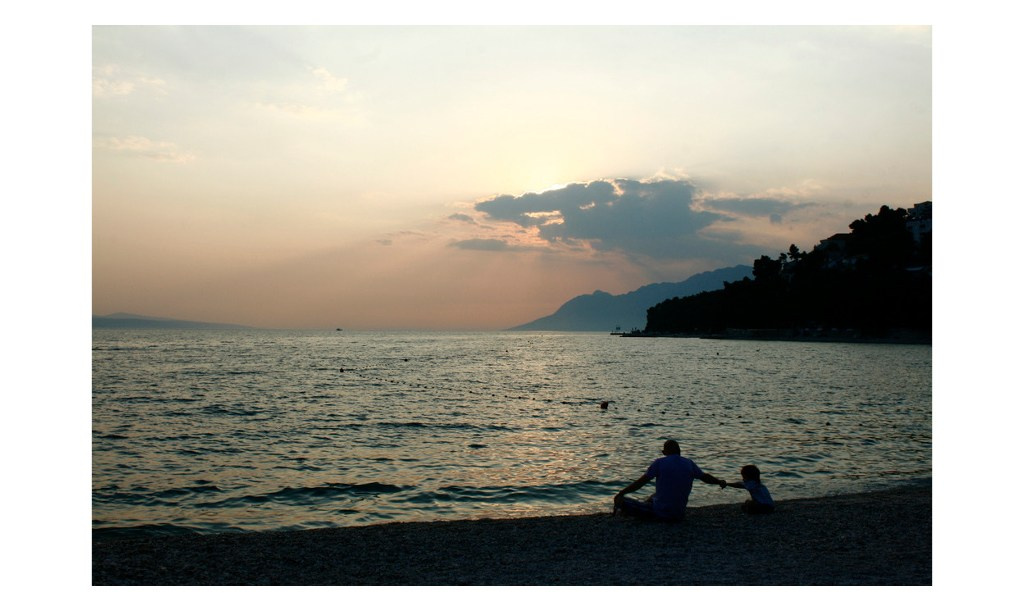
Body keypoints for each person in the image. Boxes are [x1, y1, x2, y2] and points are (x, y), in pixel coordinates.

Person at [613, 439, 725, 521]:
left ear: (664, 452)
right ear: (679, 451)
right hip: (679, 513)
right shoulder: (689, 463)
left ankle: (624, 513)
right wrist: (719, 482)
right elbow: (705, 477)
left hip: (661, 513)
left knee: (620, 500)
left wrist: (622, 493)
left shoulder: (659, 462)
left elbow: (640, 483)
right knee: (654, 495)